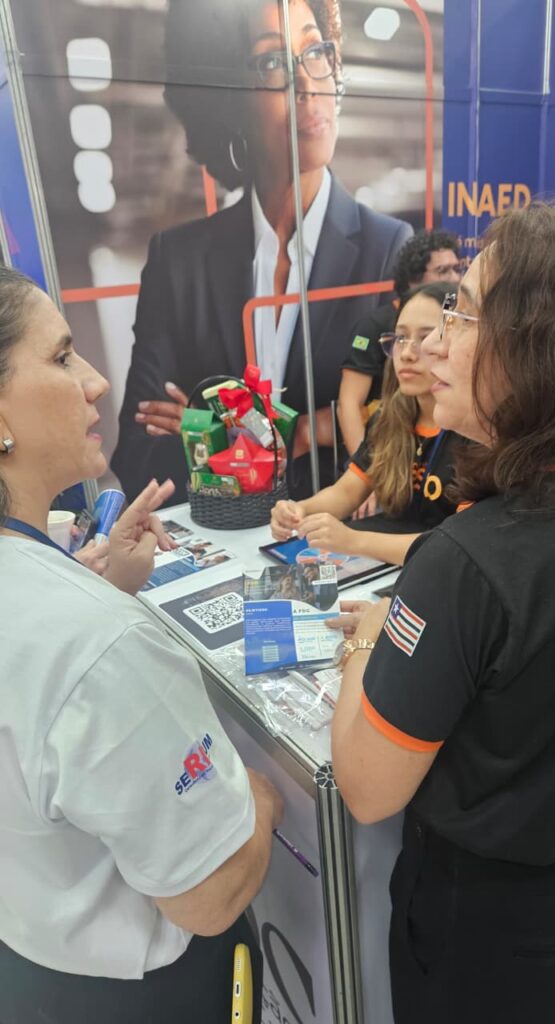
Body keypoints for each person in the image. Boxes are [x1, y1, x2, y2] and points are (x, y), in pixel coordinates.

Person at [0, 265, 283, 1023]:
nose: (96, 382)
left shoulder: (67, 611)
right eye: (62, 357)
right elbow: (211, 894)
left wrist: (94, 583)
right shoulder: (98, 644)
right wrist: (260, 800)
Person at [331, 201, 555, 1024]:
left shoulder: (468, 564)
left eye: (461, 313)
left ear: (533, 345)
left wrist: (365, 643)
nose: (432, 343)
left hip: (484, 933)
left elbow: (367, 790)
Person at [111, 0, 412, 505]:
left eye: (315, 51)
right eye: (272, 62)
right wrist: (301, 431)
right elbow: (139, 452)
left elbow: (402, 426)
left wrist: (214, 434)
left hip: (332, 536)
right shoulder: (178, 262)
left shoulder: (387, 249)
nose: (306, 83)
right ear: (230, 100)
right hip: (217, 538)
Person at [270, 282, 461, 567]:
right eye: (401, 338)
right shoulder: (389, 418)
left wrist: (353, 541)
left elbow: (456, 547)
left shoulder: (474, 432)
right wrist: (299, 510)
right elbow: (347, 492)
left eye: (425, 338)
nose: (407, 353)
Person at [337, 229, 461, 461]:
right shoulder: (372, 326)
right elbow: (349, 403)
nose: (454, 278)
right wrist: (367, 468)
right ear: (414, 278)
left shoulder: (461, 322)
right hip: (391, 445)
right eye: (442, 270)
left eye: (457, 269)